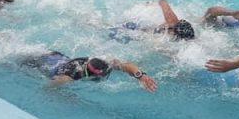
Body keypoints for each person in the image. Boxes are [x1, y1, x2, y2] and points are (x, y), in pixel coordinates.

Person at [23, 51, 157, 91]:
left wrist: (141, 76)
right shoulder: (68, 77)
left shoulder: (102, 62)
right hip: (41, 63)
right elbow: (47, 88)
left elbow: (125, 65)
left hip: (56, 56)